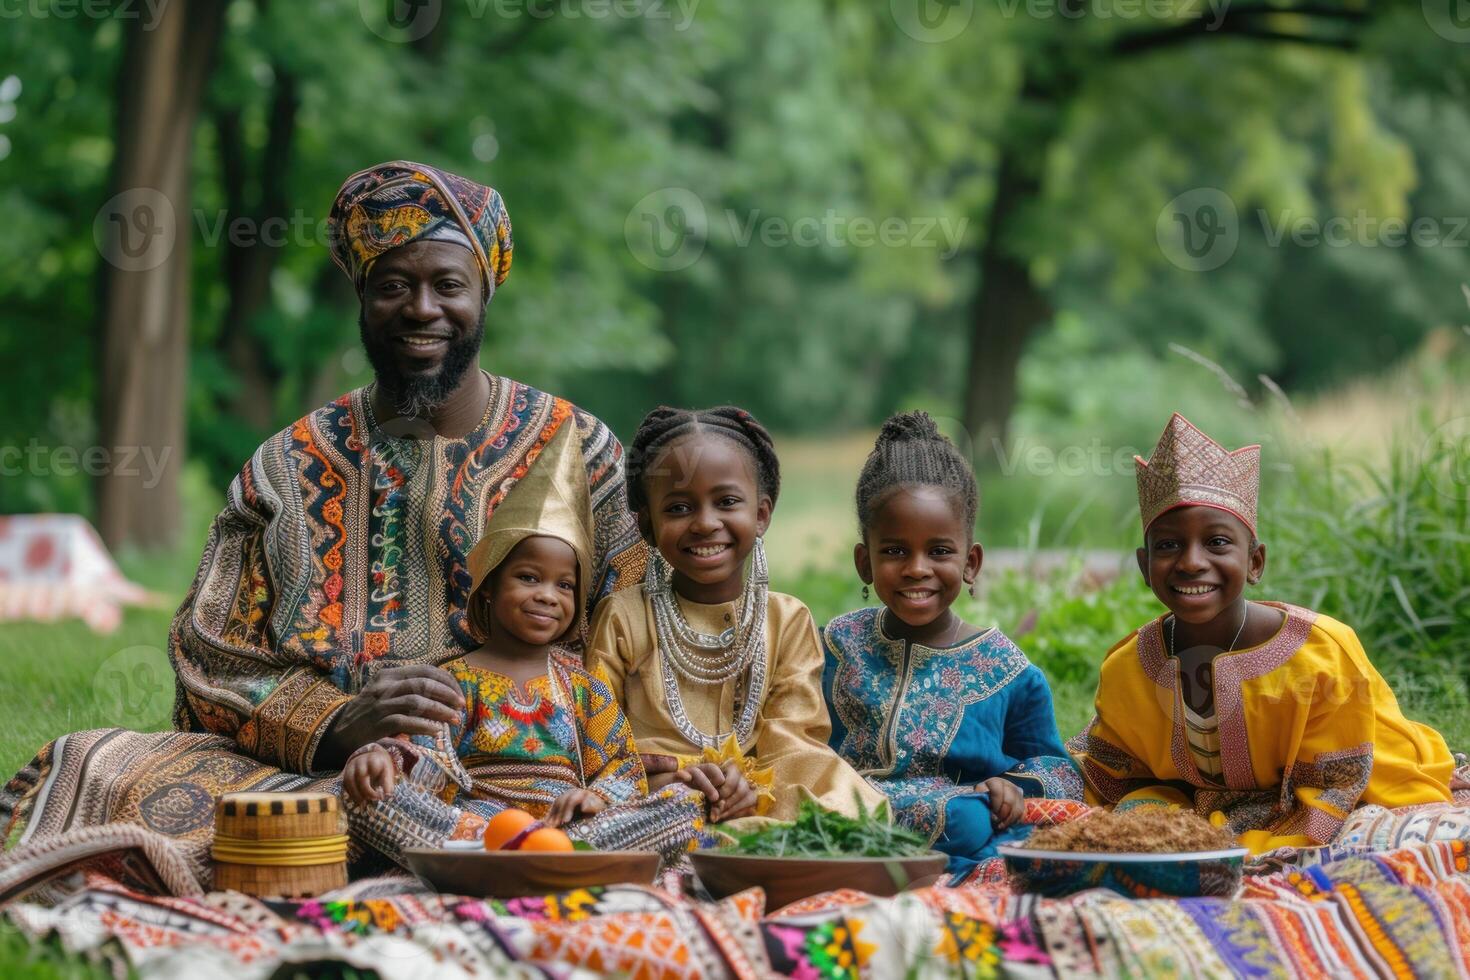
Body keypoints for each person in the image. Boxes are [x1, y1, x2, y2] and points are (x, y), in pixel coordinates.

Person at [0, 161, 647, 891]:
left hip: (552, 778)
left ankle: (483, 843)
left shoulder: (579, 449)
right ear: (362, 298)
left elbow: (641, 628)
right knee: (101, 764)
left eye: (448, 285)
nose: (421, 309)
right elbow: (211, 659)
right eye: (393, 286)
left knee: (658, 803)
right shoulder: (287, 466)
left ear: (485, 295)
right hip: (341, 779)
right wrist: (341, 722)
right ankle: (455, 850)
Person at [1072, 413, 1454, 855]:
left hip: (1368, 782)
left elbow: (1337, 788)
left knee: (1409, 841)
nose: (1191, 562)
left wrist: (1233, 846)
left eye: (1217, 542)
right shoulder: (1129, 667)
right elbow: (1115, 776)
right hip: (1207, 809)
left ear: (1255, 562)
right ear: (1144, 566)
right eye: (1168, 545)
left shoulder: (1320, 654)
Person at [342, 425, 705, 861]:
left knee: (684, 804)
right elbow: (421, 762)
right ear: (490, 585)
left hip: (575, 829)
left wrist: (598, 800)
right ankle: (519, 855)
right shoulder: (451, 682)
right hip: (475, 829)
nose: (547, 595)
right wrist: (378, 759)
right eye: (528, 577)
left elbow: (622, 767)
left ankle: (551, 853)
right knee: (365, 797)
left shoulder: (584, 689)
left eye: (565, 586)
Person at [587, 406, 886, 822]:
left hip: (764, 791)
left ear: (761, 514)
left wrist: (751, 786)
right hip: (656, 796)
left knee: (851, 805)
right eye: (678, 508)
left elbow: (796, 742)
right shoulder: (623, 616)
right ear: (647, 527)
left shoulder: (787, 619)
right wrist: (657, 781)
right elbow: (597, 736)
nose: (706, 523)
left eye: (726, 502)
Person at [821, 413, 1082, 876]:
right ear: (865, 562)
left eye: (939, 551)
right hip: (841, 810)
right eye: (895, 551)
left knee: (970, 820)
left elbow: (1059, 771)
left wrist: (1012, 785)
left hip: (955, 818)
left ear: (970, 561)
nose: (917, 568)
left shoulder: (1008, 671)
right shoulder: (836, 646)